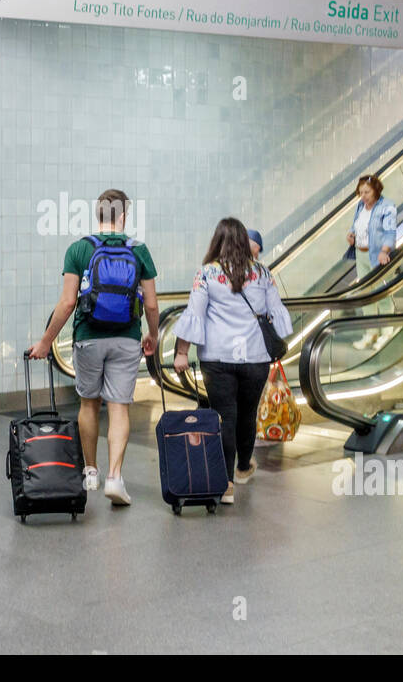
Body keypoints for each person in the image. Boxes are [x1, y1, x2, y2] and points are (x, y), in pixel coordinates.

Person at [29, 188, 159, 507]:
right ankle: (115, 476)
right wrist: (152, 335)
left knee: (89, 404)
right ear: (124, 216)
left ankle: (90, 471)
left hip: (88, 336)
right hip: (127, 338)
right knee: (119, 407)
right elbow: (152, 305)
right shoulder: (139, 250)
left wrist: (46, 341)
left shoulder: (78, 249)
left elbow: (68, 302)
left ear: (97, 214)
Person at [173, 218, 292, 504]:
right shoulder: (263, 273)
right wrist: (283, 335)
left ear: (217, 241)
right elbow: (276, 312)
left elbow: (195, 314)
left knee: (224, 415)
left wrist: (181, 353)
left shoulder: (207, 274)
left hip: (217, 357)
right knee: (247, 414)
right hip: (255, 357)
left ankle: (225, 484)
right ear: (243, 241)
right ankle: (242, 468)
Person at [345, 174, 397, 349]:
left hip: (377, 255)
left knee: (381, 292)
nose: (363, 196)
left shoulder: (387, 206)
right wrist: (351, 235)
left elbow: (390, 233)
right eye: (361, 192)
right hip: (361, 254)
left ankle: (387, 332)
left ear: (376, 190)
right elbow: (356, 225)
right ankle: (370, 332)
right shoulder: (361, 206)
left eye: (367, 192)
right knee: (365, 293)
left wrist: (384, 251)